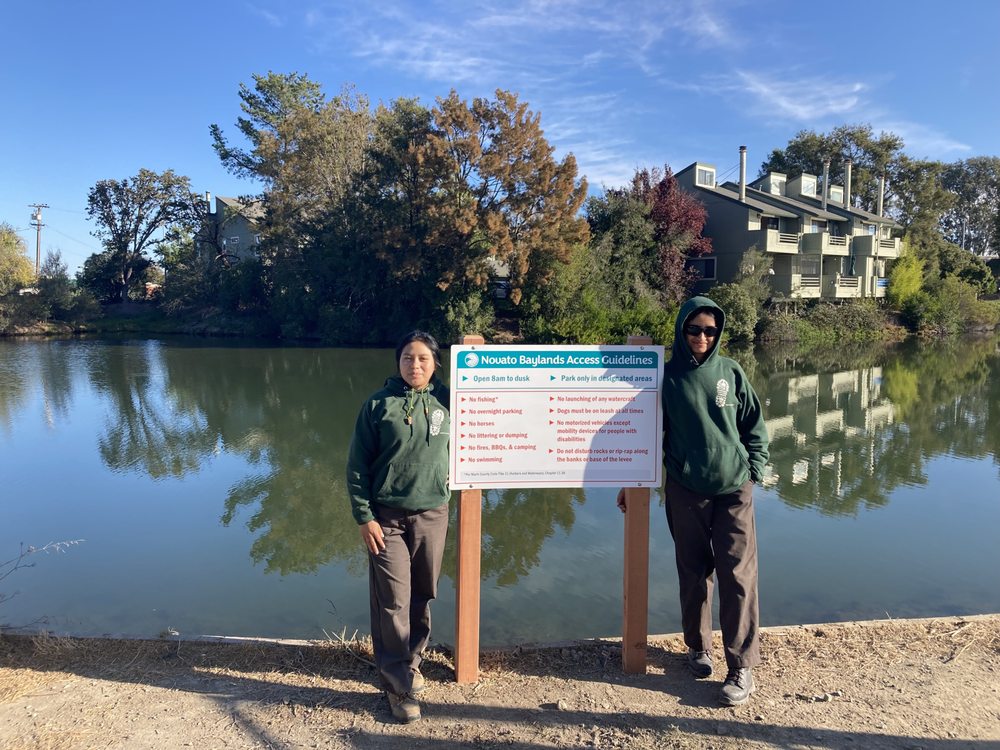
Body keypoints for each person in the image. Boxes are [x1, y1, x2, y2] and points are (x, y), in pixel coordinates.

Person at [618, 296, 769, 706]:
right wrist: (628, 480)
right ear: (681, 330)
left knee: (738, 576)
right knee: (693, 572)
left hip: (734, 489)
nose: (702, 337)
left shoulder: (731, 372)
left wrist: (755, 466)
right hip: (686, 489)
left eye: (710, 330)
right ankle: (697, 647)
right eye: (694, 329)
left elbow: (754, 424)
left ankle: (740, 665)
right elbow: (645, 433)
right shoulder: (664, 378)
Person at [346, 330, 451, 723]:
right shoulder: (378, 405)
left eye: (423, 358)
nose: (415, 365)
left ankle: (412, 661)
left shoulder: (447, 402)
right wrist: (364, 516)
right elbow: (357, 466)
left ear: (435, 363)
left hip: (433, 514)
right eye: (408, 358)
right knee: (393, 599)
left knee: (423, 594)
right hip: (386, 518)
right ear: (398, 362)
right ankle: (396, 683)